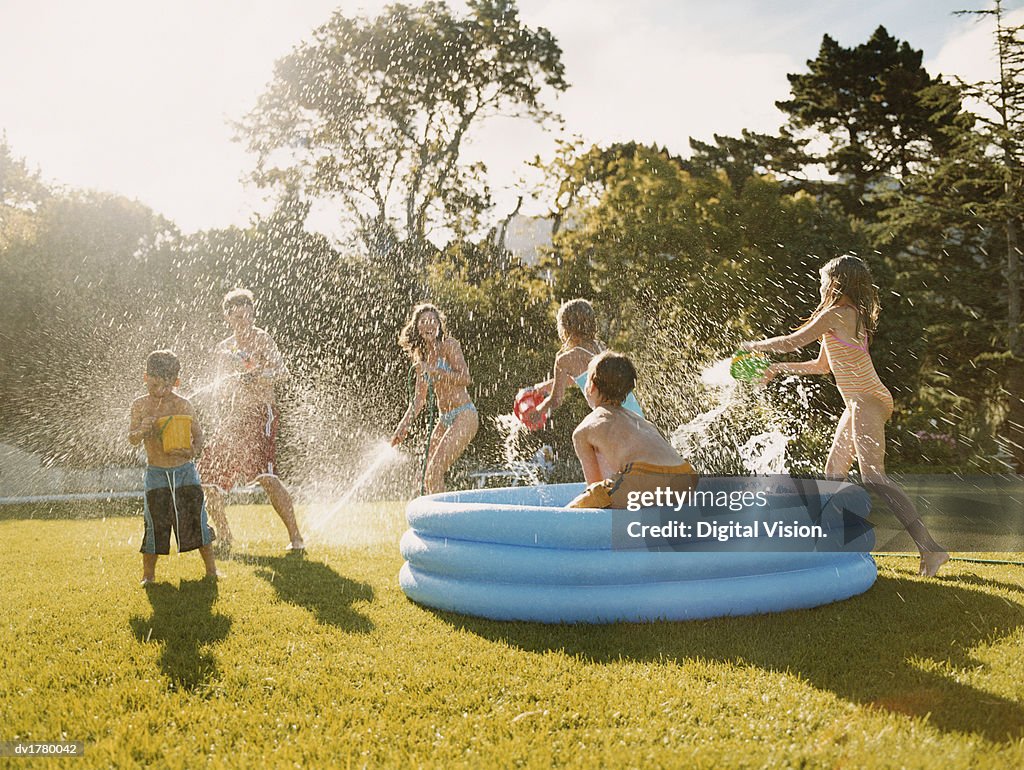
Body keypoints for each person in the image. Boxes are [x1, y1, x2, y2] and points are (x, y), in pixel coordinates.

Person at [741, 254, 949, 577]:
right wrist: (775, 369)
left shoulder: (838, 313)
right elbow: (822, 366)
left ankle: (930, 548)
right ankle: (833, 545)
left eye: (824, 280)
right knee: (833, 472)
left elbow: (791, 342)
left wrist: (754, 346)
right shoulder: (846, 317)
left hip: (867, 400)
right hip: (860, 402)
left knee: (873, 477)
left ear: (836, 283)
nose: (820, 285)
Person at [199, 288, 304, 552]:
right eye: (237, 318)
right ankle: (224, 538)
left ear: (253, 315)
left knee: (266, 477)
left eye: (247, 316)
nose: (243, 322)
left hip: (261, 413)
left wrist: (257, 375)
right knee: (207, 476)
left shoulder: (263, 339)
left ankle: (296, 538)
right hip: (236, 417)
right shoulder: (223, 349)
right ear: (228, 318)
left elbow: (282, 374)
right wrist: (230, 385)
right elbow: (219, 389)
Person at [128, 349, 218, 584]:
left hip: (184, 472)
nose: (160, 391)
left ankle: (212, 571)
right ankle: (148, 576)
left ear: (176, 382)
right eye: (154, 384)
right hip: (156, 473)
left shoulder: (183, 405)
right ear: (145, 377)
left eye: (166, 386)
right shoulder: (139, 406)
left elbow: (199, 437)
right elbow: (132, 438)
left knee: (196, 519)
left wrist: (192, 451)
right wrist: (141, 430)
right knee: (155, 522)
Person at [568, 351, 697, 509]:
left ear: (591, 387)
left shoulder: (585, 429)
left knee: (577, 509)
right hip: (685, 478)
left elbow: (595, 489)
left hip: (643, 479)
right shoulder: (640, 421)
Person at [391, 303, 478, 494]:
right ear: (417, 327)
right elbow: (419, 400)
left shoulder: (449, 345)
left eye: (432, 320)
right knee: (427, 474)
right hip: (445, 418)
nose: (428, 324)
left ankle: (444, 521)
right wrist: (403, 426)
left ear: (439, 325)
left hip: (464, 413)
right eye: (423, 321)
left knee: (435, 469)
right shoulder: (421, 358)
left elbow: (465, 378)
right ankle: (439, 517)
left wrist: (437, 372)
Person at [528, 299, 643, 421]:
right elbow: (579, 378)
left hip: (614, 419)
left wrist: (538, 411)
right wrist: (542, 387)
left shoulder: (565, 360)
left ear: (564, 328)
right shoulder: (600, 346)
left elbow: (556, 400)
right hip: (633, 411)